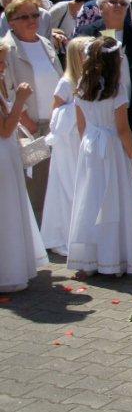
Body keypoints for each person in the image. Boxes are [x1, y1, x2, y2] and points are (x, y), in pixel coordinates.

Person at [66, 37, 132, 277]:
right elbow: (123, 129)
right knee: (113, 200)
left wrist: (87, 146)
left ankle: (89, 259)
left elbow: (81, 125)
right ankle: (113, 258)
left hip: (90, 146)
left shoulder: (82, 85)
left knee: (90, 199)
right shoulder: (116, 89)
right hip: (112, 149)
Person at [79, 0, 132, 190]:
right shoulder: (88, 33)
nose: (118, 6)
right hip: (102, 107)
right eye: (113, 2)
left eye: (123, 3)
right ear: (101, 7)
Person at [2, 0, 63, 221]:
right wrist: (27, 121)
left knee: (55, 183)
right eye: (24, 17)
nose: (32, 20)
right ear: (11, 22)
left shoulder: (45, 42)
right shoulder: (7, 49)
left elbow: (59, 78)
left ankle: (53, 229)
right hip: (30, 128)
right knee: (34, 185)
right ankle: (36, 232)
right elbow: (8, 90)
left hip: (54, 124)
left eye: (35, 15)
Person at [0, 40, 47, 292]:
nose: (3, 67)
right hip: (2, 155)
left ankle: (14, 264)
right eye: (0, 62)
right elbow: (5, 129)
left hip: (7, 153)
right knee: (6, 211)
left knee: (12, 208)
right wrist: (20, 101)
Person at [40, 36, 91, 257]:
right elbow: (56, 113)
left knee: (82, 186)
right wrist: (75, 111)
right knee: (67, 185)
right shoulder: (66, 83)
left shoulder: (90, 81)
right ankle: (62, 235)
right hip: (68, 143)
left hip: (83, 139)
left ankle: (82, 233)